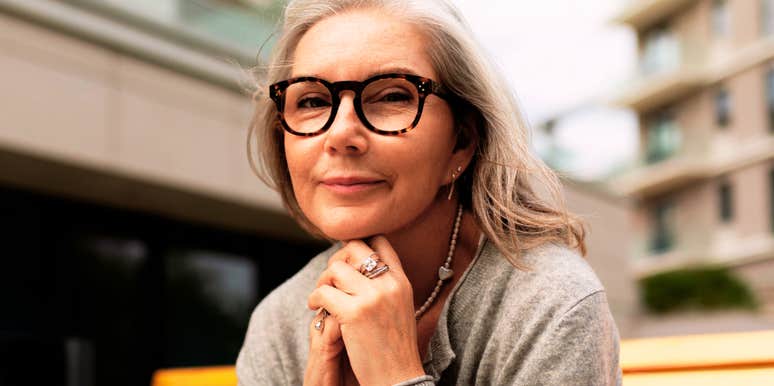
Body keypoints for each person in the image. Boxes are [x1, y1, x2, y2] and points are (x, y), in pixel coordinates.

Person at [237, 0, 622, 384]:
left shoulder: (551, 303)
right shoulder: (279, 323)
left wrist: (395, 375)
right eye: (312, 101)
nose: (340, 134)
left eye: (392, 96)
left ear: (462, 141)